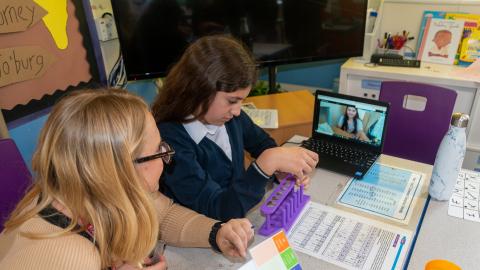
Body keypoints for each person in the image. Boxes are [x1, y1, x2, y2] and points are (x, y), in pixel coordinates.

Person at [0, 89, 254, 270]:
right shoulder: (68, 257)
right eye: (159, 150)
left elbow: (162, 214)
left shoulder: (88, 191)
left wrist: (216, 232)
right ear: (120, 169)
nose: (167, 158)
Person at [152, 35, 318, 221]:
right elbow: (218, 209)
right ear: (198, 89)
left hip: (238, 221)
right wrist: (266, 166)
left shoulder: (229, 117)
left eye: (241, 101)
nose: (238, 111)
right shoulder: (170, 141)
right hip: (202, 235)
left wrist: (280, 169)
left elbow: (263, 144)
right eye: (232, 101)